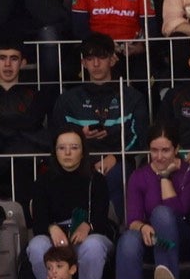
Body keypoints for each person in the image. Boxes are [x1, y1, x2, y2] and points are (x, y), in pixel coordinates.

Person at [50, 33, 148, 213]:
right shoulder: (68, 100)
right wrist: (81, 135)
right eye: (90, 58)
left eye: (101, 57)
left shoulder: (132, 97)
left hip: (119, 163)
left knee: (117, 176)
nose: (95, 64)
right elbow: (56, 136)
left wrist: (117, 157)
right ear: (83, 63)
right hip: (76, 162)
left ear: (112, 60)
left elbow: (140, 138)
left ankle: (107, 229)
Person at [27, 128, 113, 279]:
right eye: (62, 148)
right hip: (55, 238)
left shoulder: (96, 180)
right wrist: (52, 229)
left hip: (90, 236)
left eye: (74, 147)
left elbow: (101, 219)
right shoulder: (43, 182)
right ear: (55, 152)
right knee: (37, 245)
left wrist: (88, 225)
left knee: (93, 246)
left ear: (82, 152)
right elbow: (38, 222)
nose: (67, 153)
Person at [116, 125, 190, 279]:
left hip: (181, 238)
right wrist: (143, 228)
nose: (159, 156)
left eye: (165, 150)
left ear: (176, 149)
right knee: (128, 239)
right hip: (152, 239)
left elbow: (180, 212)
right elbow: (132, 220)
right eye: (154, 150)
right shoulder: (139, 176)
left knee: (162, 214)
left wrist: (165, 177)